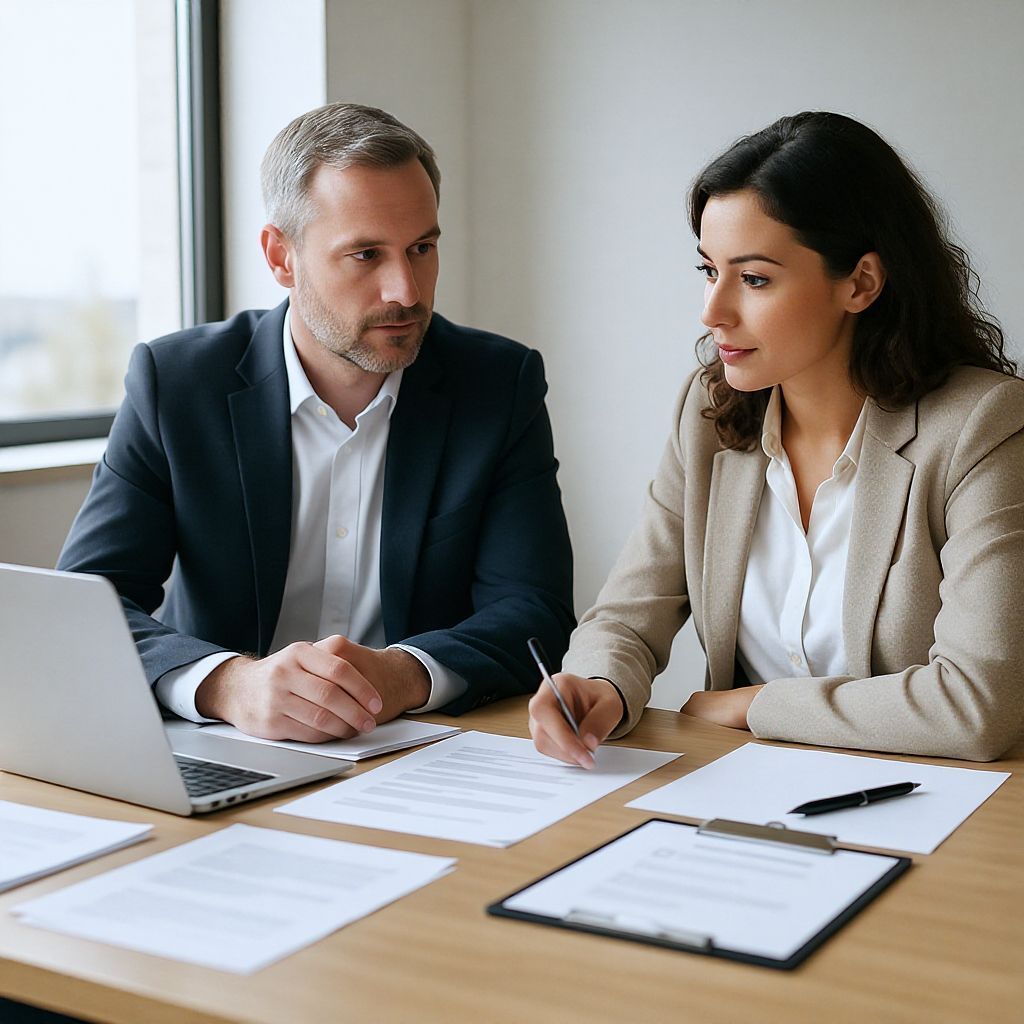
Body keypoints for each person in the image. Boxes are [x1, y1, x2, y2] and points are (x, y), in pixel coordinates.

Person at [59, 102, 574, 742]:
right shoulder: (178, 384)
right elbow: (85, 604)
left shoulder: (497, 384)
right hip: (226, 745)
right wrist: (224, 683)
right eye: (365, 255)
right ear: (282, 256)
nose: (406, 291)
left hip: (413, 748)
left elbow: (534, 611)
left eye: (422, 248)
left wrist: (404, 673)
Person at [529, 111, 1024, 767]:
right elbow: (627, 614)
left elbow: (975, 708)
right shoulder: (708, 414)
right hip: (746, 788)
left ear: (860, 282)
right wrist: (599, 686)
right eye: (709, 270)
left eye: (754, 278)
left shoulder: (981, 427)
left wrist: (753, 705)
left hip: (932, 806)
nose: (714, 310)